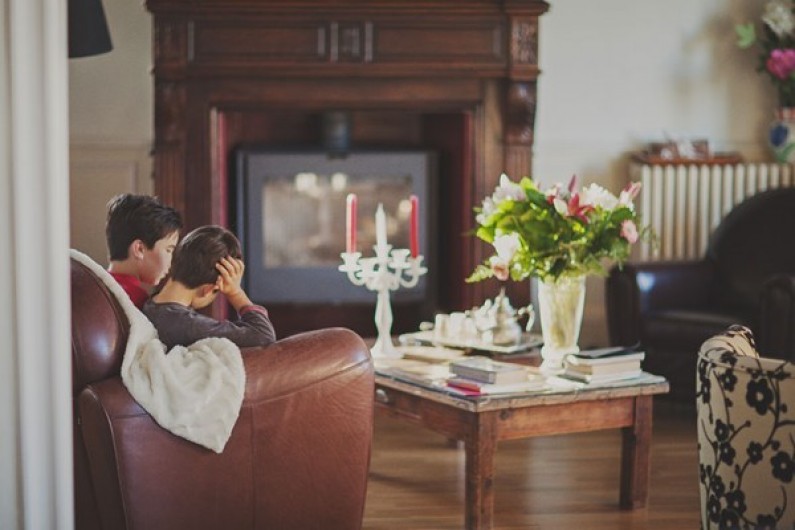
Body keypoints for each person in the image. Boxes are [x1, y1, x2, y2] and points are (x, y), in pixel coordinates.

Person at [142, 225, 276, 350]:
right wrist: (235, 293)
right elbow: (263, 336)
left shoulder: (149, 305)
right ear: (207, 290)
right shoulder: (187, 325)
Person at [106, 194, 183, 308]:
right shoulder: (137, 301)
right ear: (139, 249)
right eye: (168, 250)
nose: (171, 262)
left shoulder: (96, 286)